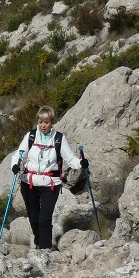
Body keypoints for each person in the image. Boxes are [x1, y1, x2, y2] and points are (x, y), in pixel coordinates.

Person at [11, 105, 87, 252]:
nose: (43, 125)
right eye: (40, 122)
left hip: (50, 184)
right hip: (29, 182)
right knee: (33, 219)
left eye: (46, 122)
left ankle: (45, 250)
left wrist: (81, 163)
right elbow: (19, 153)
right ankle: (39, 242)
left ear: (52, 122)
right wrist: (15, 165)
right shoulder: (31, 136)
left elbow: (70, 158)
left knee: (44, 219)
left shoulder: (58, 138)